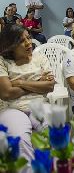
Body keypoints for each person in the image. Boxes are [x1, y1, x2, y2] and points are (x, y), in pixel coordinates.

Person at [0, 24, 55, 163]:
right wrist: (37, 82)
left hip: (39, 104)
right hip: (12, 108)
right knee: (20, 139)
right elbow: (7, 93)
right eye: (21, 40)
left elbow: (49, 86)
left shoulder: (39, 58)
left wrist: (20, 83)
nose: (28, 43)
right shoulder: (3, 62)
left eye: (28, 37)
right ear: (10, 45)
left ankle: (49, 166)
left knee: (53, 130)